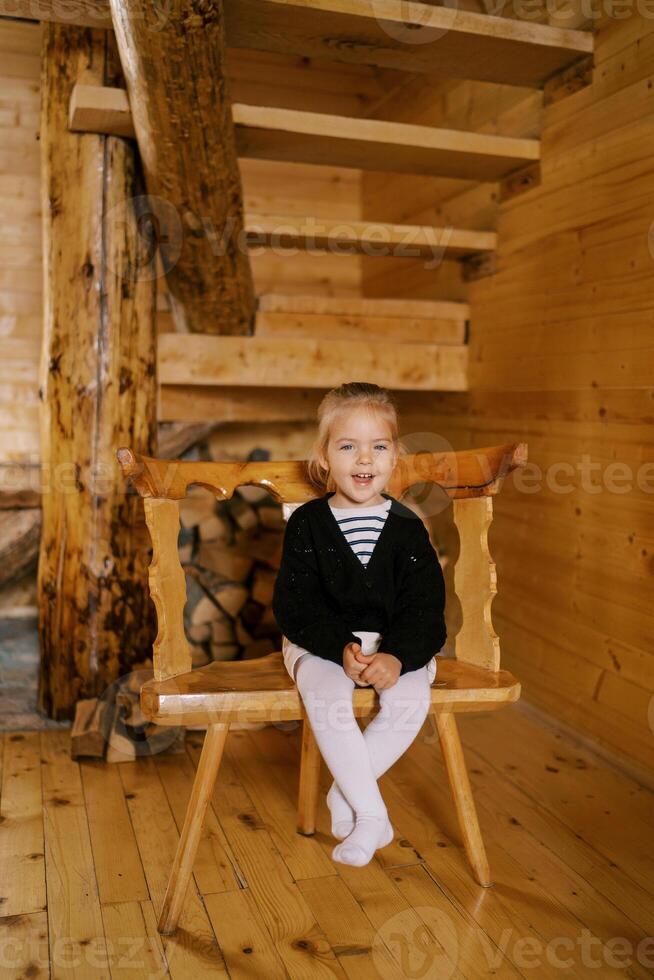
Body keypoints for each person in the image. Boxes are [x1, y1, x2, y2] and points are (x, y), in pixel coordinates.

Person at [272, 381, 447, 868]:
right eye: (348, 446)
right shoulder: (307, 523)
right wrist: (338, 646)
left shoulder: (408, 527)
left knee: (411, 701)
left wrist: (398, 655)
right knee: (328, 700)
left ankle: (345, 798)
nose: (363, 459)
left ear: (395, 457)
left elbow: (425, 608)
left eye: (378, 446)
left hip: (395, 646)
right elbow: (295, 604)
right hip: (320, 644)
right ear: (324, 457)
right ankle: (371, 813)